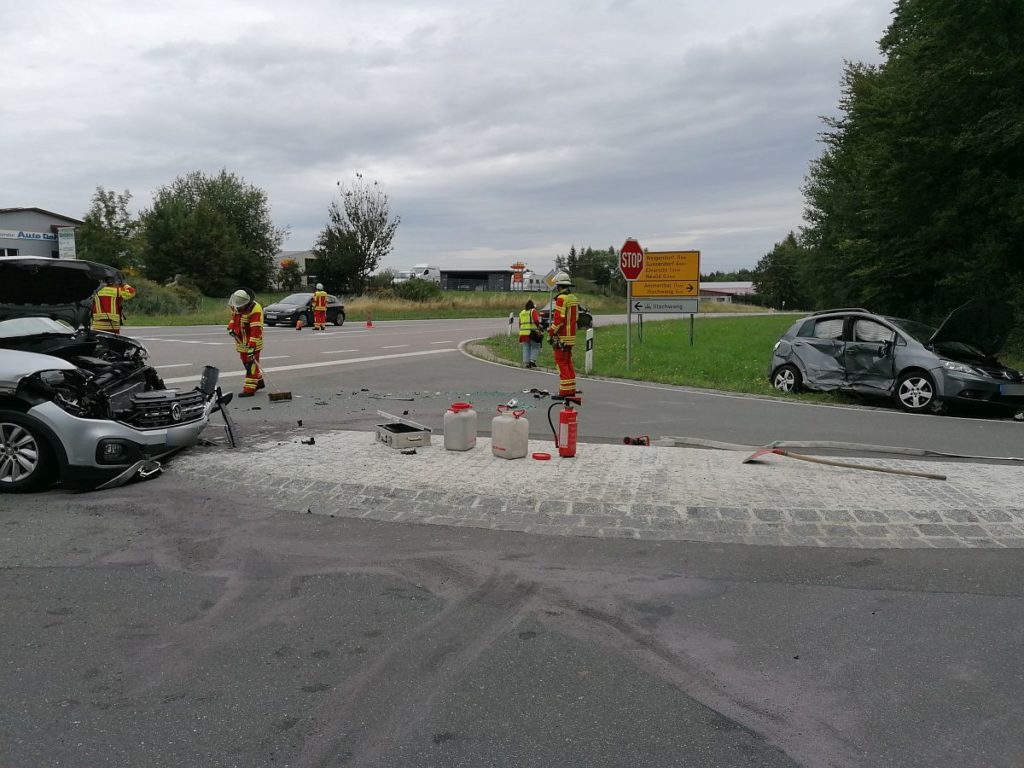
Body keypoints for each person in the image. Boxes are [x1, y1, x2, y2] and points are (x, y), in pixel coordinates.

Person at [546, 271, 579, 396]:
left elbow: (559, 320)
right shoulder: (573, 298)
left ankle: (564, 392)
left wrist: (550, 332)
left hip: (561, 337)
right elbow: (575, 319)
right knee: (568, 362)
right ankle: (571, 390)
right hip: (571, 337)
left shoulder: (561, 298)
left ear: (559, 286)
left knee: (561, 363)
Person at [227, 289, 265, 397]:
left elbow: (256, 330)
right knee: (245, 361)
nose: (237, 308)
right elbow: (233, 318)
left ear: (246, 303)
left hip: (253, 341)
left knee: (251, 364)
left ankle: (249, 388)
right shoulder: (236, 305)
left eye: (239, 307)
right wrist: (231, 327)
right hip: (240, 340)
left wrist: (252, 347)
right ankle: (259, 381)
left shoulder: (255, 309)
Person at [518, 299, 542, 368]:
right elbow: (536, 320)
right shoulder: (533, 311)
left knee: (526, 347)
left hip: (523, 333)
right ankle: (532, 361)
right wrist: (539, 327)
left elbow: (520, 324)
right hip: (532, 333)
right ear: (533, 306)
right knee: (535, 346)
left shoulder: (522, 312)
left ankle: (526, 363)